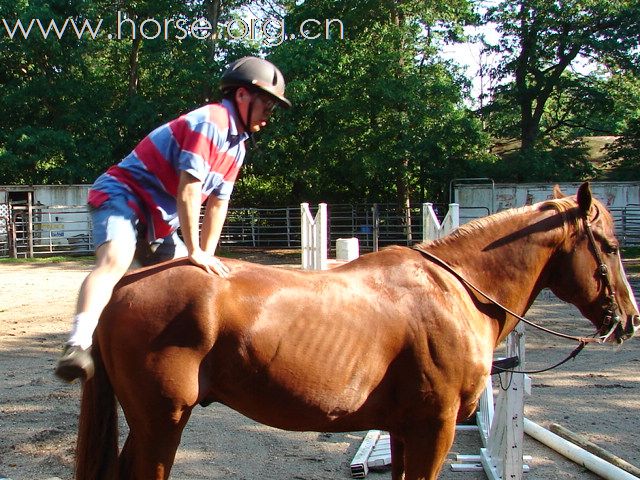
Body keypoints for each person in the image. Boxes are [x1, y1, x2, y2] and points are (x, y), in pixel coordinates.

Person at [55, 56, 291, 382]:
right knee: (115, 261)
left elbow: (218, 204)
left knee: (194, 279)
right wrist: (195, 249)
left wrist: (204, 255)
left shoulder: (237, 146)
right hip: (123, 195)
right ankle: (78, 344)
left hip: (159, 218)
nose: (268, 114)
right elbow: (190, 192)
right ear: (242, 96)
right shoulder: (211, 122)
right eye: (267, 103)